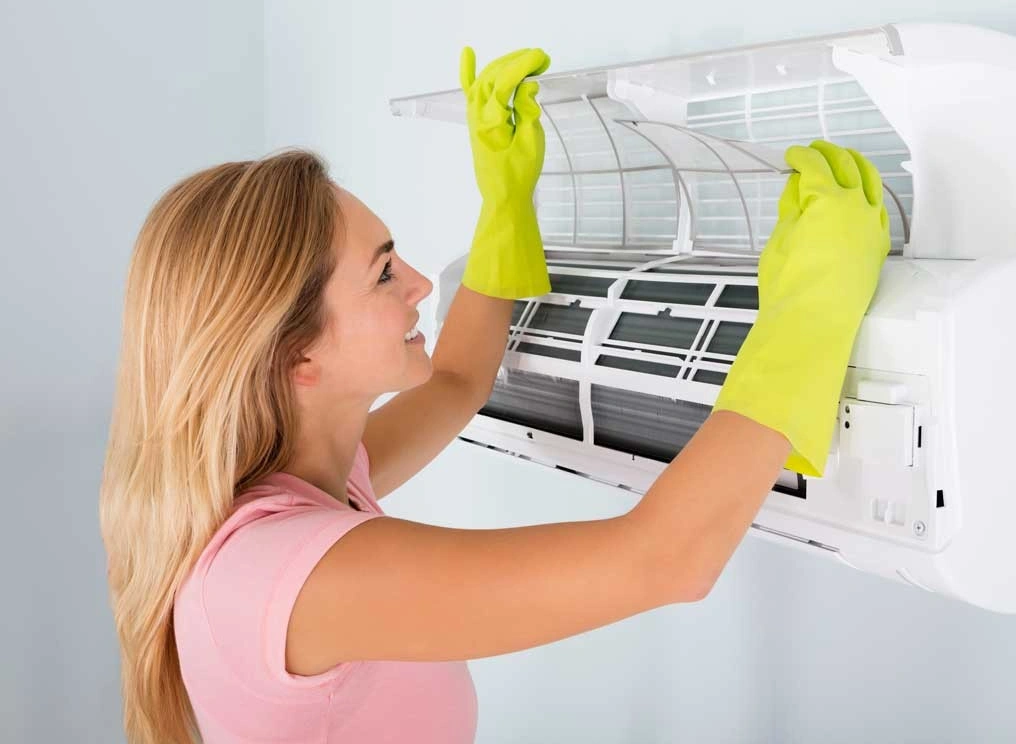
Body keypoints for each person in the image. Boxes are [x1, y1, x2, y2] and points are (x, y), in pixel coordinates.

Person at [99, 45, 890, 744]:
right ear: (297, 354)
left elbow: (456, 381)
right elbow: (665, 560)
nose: (416, 284)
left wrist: (507, 204)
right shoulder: (293, 572)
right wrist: (808, 310)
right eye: (382, 273)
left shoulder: (300, 491)